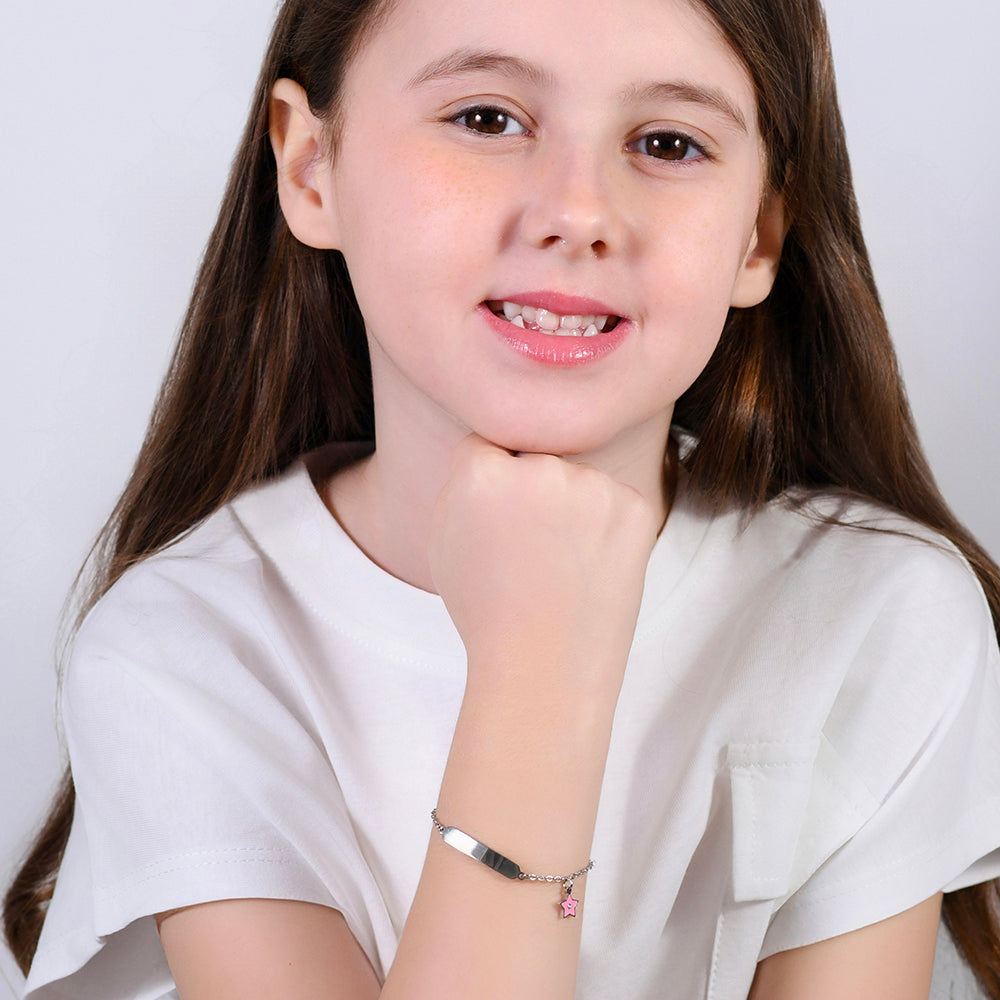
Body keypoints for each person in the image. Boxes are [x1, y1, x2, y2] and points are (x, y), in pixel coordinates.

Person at [5, 0, 1000, 996]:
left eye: (666, 141)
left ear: (757, 236)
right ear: (312, 166)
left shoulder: (877, 616)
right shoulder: (185, 652)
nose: (578, 212)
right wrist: (536, 677)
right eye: (486, 118)